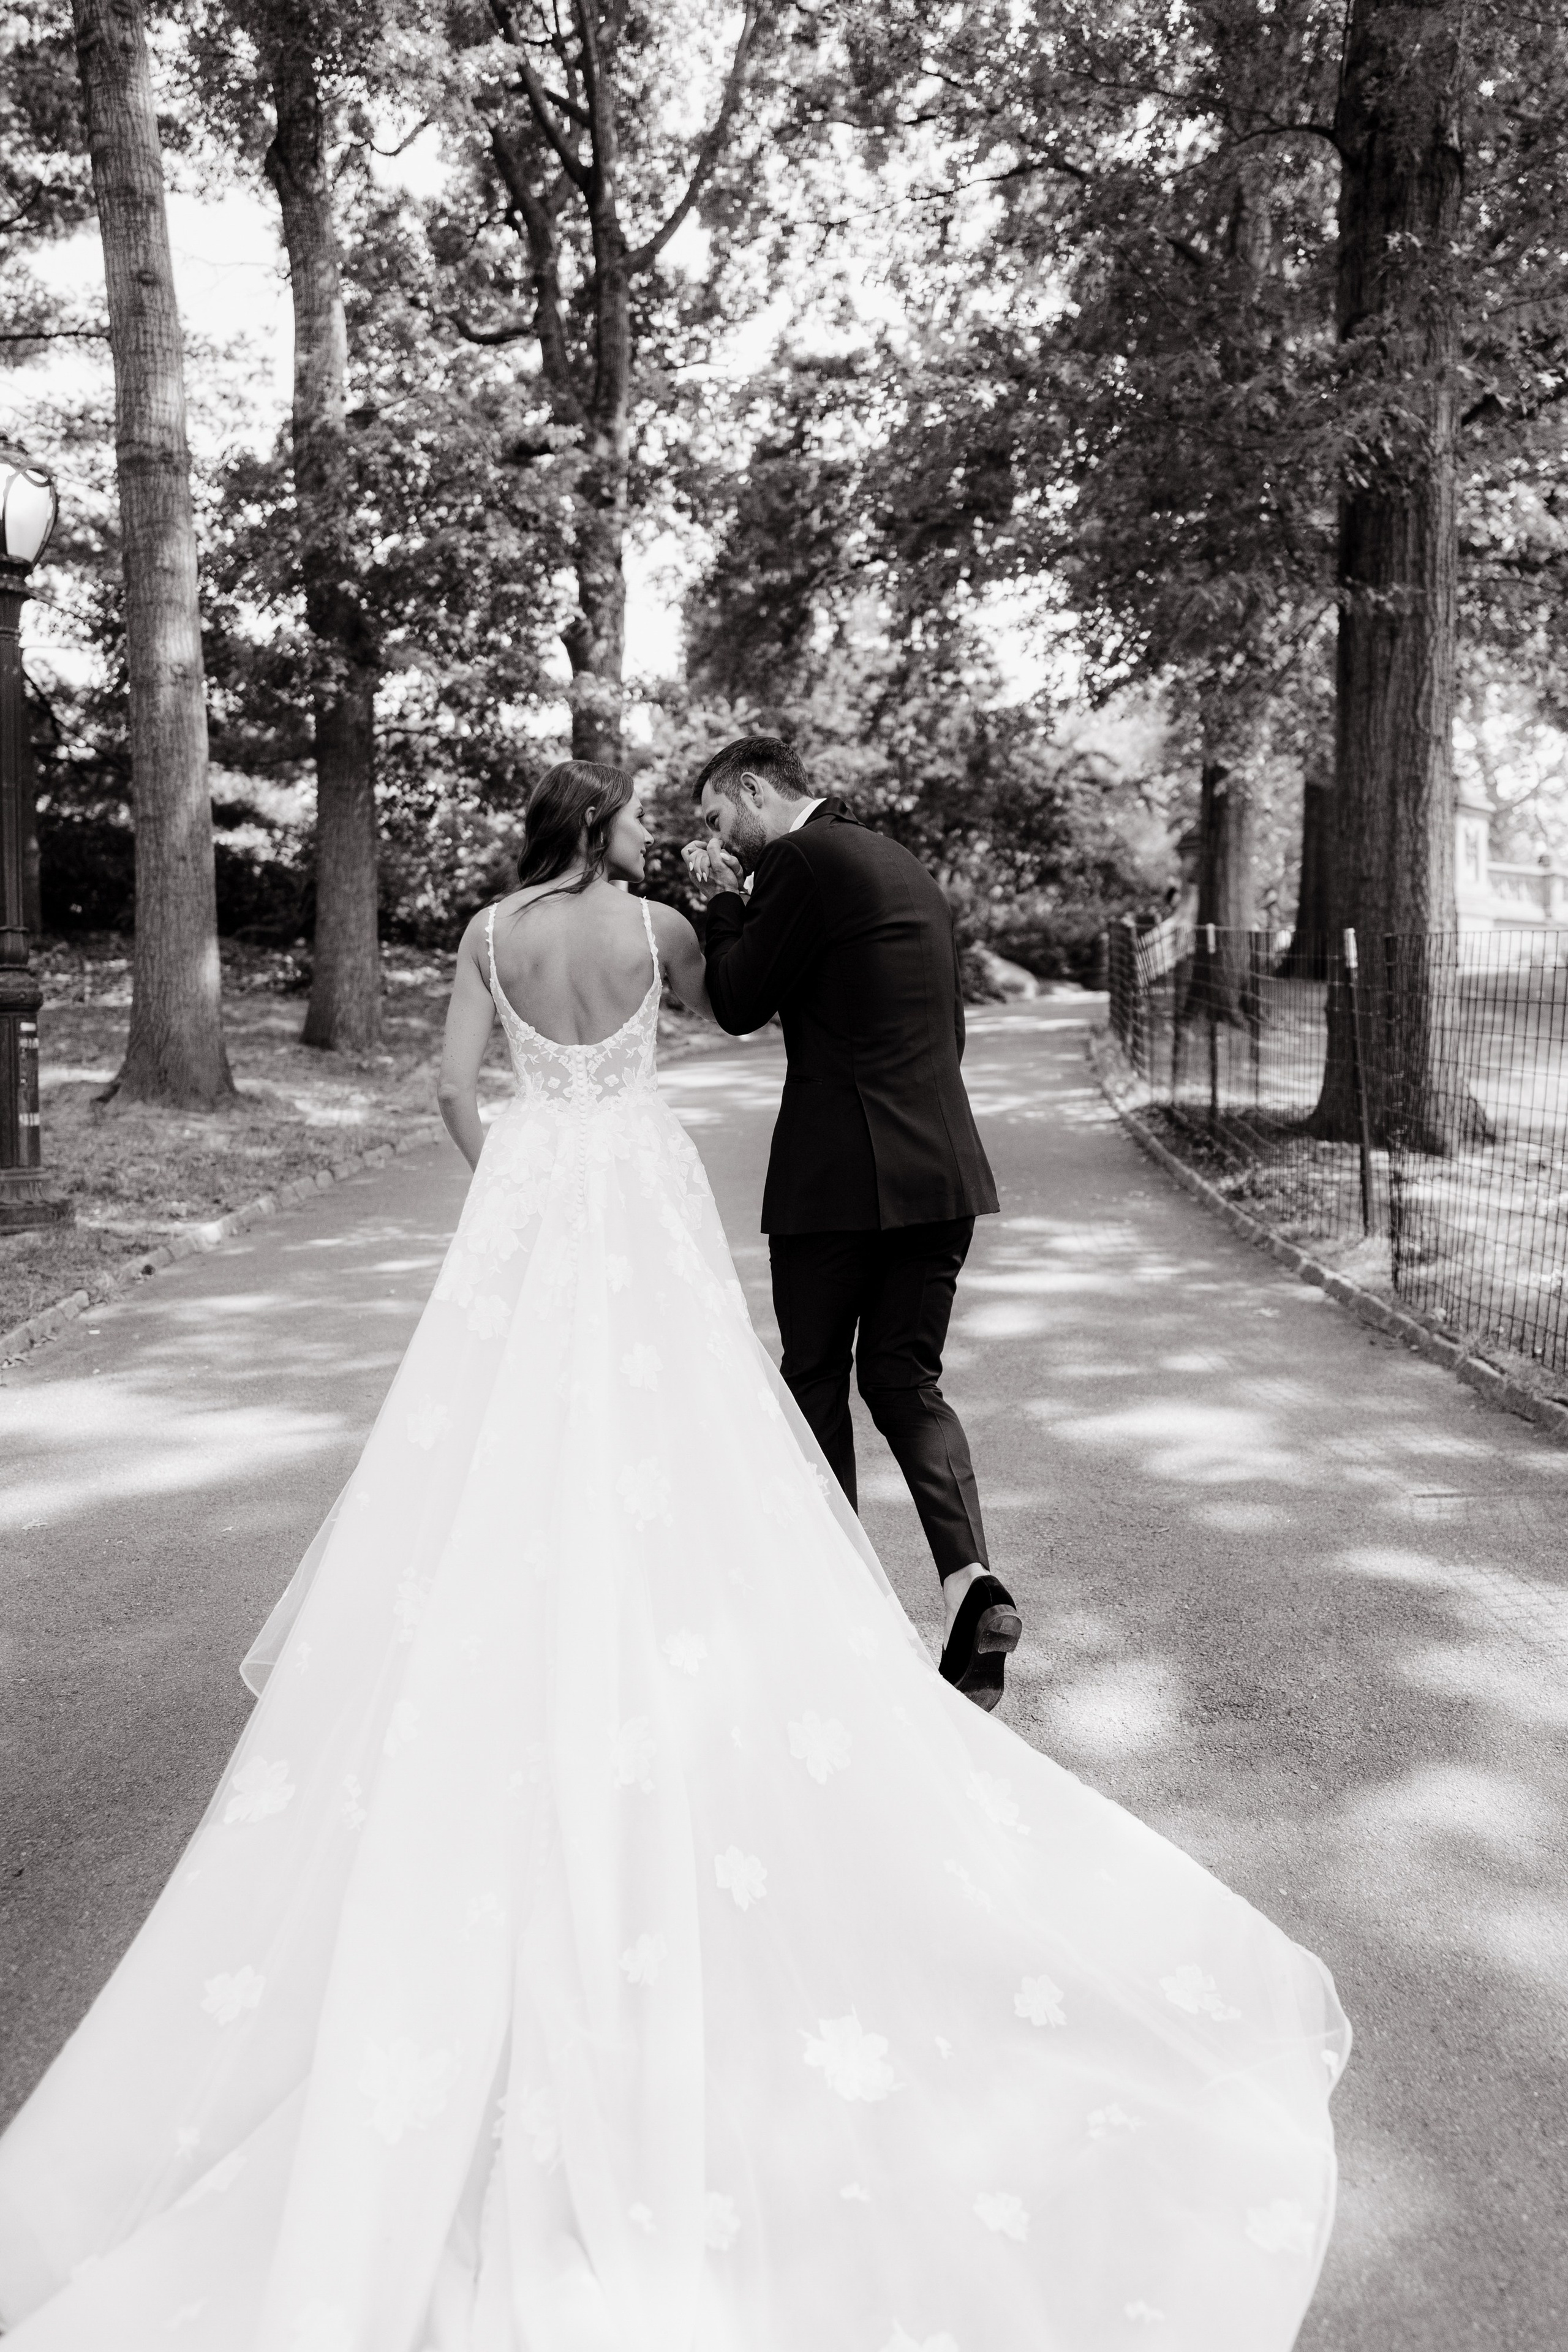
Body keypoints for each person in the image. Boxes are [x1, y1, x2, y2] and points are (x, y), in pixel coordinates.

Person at [0, 760, 1348, 2352]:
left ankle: (536, 1629)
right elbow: (727, 1010)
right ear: (617, 837)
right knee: (692, 1413)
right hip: (639, 1187)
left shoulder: (493, 934)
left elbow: (449, 1085)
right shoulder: (656, 928)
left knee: (510, 1425)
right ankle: (777, 1605)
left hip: (534, 1189)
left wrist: (504, 1153)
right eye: (644, 825)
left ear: (528, 836)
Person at [684, 739, 1019, 1709]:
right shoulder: (896, 860)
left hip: (839, 1181)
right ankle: (972, 1584)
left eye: (716, 819)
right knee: (908, 1383)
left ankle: (840, 1610)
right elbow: (943, 1030)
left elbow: (741, 1001)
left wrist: (720, 900)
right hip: (942, 1172)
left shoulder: (795, 859)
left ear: (754, 791)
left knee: (817, 1380)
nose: (717, 839)